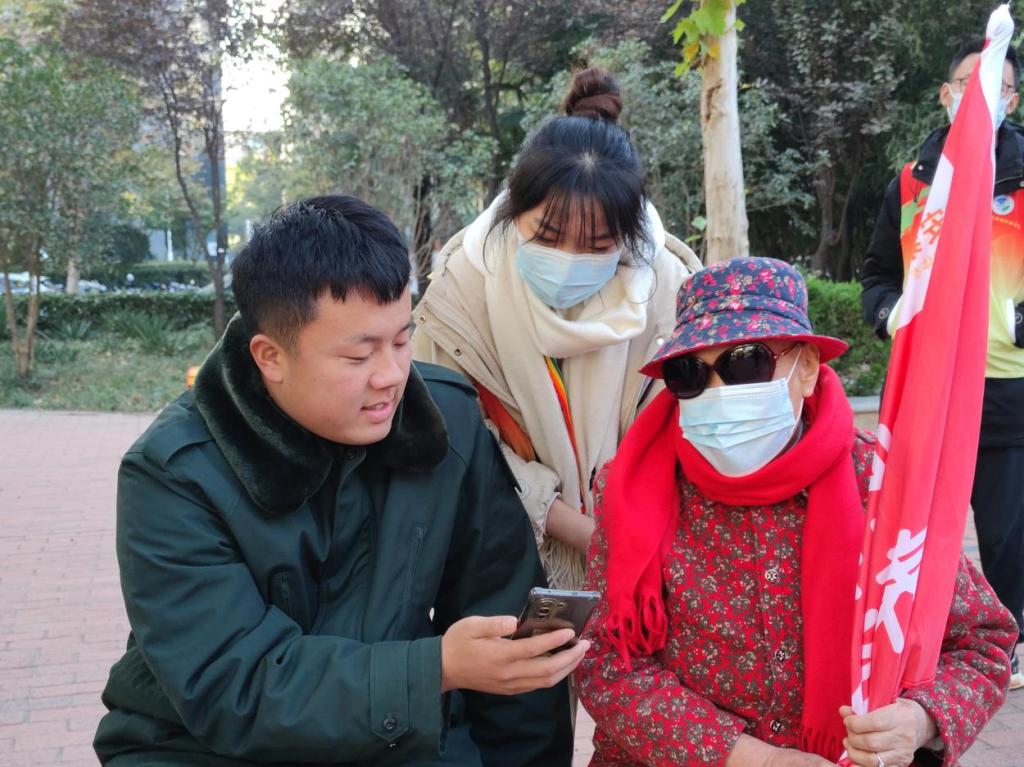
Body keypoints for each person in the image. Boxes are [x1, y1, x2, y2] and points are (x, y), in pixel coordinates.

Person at [93, 195, 584, 766]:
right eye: (359, 357)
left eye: (401, 341)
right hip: (201, 747)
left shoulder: (446, 425)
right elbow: (231, 686)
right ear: (270, 356)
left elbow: (508, 635)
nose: (392, 376)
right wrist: (435, 670)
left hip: (402, 736)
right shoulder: (175, 473)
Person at [578, 257, 1017, 767]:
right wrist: (752, 758)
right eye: (689, 373)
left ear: (806, 367)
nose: (718, 393)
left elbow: (982, 641)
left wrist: (919, 720)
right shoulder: (631, 489)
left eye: (747, 363)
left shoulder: (883, 483)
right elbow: (605, 662)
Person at [412, 68, 702, 589]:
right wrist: (575, 525)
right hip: (502, 561)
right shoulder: (460, 295)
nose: (568, 259)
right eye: (546, 236)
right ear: (512, 211)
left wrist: (631, 537)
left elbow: (687, 433)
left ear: (629, 238)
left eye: (597, 246)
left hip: (648, 559)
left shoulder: (671, 293)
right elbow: (446, 436)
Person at [861, 38, 1024, 691]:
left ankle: (1007, 645)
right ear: (945, 94)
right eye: (967, 81)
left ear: (1012, 99)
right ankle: (916, 649)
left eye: (996, 85)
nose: (980, 94)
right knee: (918, 530)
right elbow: (877, 274)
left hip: (1008, 395)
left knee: (1007, 535)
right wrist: (892, 313)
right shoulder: (912, 182)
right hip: (926, 392)